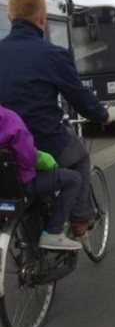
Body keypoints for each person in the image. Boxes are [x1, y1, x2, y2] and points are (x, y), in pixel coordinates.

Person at [0, 0, 110, 238]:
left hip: (3, 151)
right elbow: (79, 96)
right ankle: (80, 218)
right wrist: (101, 115)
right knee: (80, 153)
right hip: (42, 144)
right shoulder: (53, 54)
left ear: (10, 16)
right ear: (42, 18)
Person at [0, 104, 82, 250]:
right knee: (73, 179)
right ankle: (53, 232)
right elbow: (28, 157)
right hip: (21, 183)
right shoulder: (8, 118)